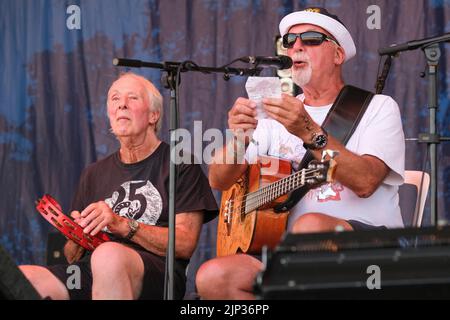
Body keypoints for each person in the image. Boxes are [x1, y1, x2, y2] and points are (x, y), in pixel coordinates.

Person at [195, 7, 405, 299]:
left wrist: (308, 131)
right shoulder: (273, 116)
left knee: (310, 229)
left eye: (311, 38)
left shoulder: (378, 108)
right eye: (289, 40)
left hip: (369, 247)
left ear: (338, 55)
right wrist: (238, 138)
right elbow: (218, 179)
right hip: (289, 254)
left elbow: (367, 181)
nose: (296, 46)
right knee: (213, 277)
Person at [20, 72, 218, 300]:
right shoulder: (93, 173)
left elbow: (184, 244)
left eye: (132, 98)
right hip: (89, 271)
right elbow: (71, 257)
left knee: (107, 255)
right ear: (109, 113)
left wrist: (121, 224)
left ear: (154, 115)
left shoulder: (180, 163)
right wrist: (77, 234)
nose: (121, 104)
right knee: (24, 279)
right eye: (114, 99)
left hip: (156, 275)